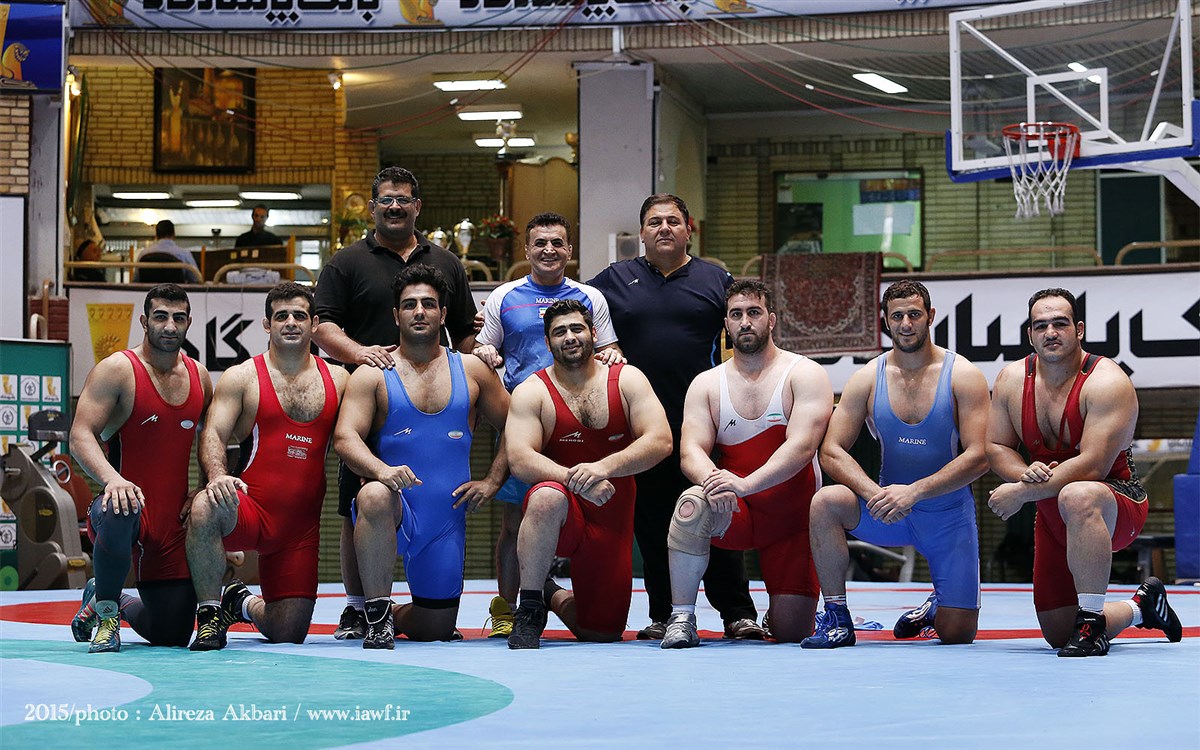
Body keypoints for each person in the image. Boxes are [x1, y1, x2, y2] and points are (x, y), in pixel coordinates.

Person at [314, 166, 479, 640]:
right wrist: (361, 354)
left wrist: (476, 367)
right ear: (372, 207)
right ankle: (359, 608)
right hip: (372, 398)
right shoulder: (346, 261)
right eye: (386, 199)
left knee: (437, 618)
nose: (394, 207)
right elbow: (323, 326)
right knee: (359, 503)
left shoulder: (446, 262)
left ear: (416, 207)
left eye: (403, 199)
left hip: (432, 395)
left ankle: (414, 609)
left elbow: (464, 329)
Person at [588, 193, 759, 641]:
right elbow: (564, 311)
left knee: (718, 507)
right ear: (642, 233)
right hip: (642, 427)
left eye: (672, 221)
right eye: (654, 222)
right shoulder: (612, 280)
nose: (663, 228)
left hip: (706, 422)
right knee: (653, 520)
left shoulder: (716, 279)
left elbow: (748, 332)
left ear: (689, 229)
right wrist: (495, 324)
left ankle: (737, 613)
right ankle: (664, 613)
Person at [986, 287, 1182, 656]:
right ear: (1029, 334)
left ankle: (1091, 623)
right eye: (1040, 325)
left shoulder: (1107, 380)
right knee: (1059, 633)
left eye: (1060, 323)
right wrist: (1024, 474)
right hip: (1051, 511)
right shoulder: (1011, 380)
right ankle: (1142, 607)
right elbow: (996, 446)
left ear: (1078, 330)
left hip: (1114, 501)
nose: (1050, 332)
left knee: (1076, 494)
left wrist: (1022, 492)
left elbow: (1093, 465)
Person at [801, 280, 990, 649]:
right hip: (887, 510)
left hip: (947, 516)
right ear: (885, 321)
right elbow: (831, 450)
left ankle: (936, 608)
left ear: (930, 316)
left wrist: (914, 492)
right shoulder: (867, 378)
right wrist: (875, 493)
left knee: (957, 634)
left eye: (914, 315)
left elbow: (978, 456)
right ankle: (837, 616)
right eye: (898, 316)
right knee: (825, 502)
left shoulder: (963, 375)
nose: (906, 324)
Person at [333, 264, 509, 648]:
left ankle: (389, 614)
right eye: (409, 304)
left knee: (435, 630)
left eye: (428, 304)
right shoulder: (372, 374)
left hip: (444, 521)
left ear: (443, 314)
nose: (419, 311)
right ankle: (377, 616)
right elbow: (345, 438)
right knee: (373, 494)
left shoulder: (473, 370)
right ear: (395, 315)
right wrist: (381, 470)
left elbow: (519, 425)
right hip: (394, 511)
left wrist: (493, 480)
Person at [472, 211, 622, 638]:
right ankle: (507, 608)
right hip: (524, 424)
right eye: (540, 243)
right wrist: (485, 354)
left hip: (582, 422)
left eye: (557, 242)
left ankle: (558, 592)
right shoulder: (504, 296)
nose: (549, 250)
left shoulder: (590, 298)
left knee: (591, 512)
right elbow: (482, 350)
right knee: (514, 521)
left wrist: (614, 356)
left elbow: (610, 350)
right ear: (526, 249)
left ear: (569, 250)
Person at [663, 280, 832, 647]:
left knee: (791, 633)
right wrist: (714, 481)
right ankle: (682, 617)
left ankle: (783, 612)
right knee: (692, 504)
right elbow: (690, 451)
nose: (745, 322)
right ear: (726, 323)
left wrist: (745, 484)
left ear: (771, 320)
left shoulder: (804, 374)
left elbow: (802, 447)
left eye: (754, 313)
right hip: (735, 510)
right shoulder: (707, 383)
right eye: (736, 314)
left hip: (791, 519)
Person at [185, 282, 348, 651]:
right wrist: (217, 476)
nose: (290, 322)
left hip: (299, 530)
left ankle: (240, 602)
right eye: (281, 316)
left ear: (314, 324)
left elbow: (356, 435)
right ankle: (209, 617)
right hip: (250, 511)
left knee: (288, 631)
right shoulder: (242, 377)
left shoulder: (340, 380)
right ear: (266, 324)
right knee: (206, 505)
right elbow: (213, 432)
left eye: (299, 316)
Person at [505, 300, 672, 649]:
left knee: (602, 632)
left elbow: (661, 441)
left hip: (611, 515)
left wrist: (602, 468)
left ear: (594, 334)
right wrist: (577, 480)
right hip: (560, 513)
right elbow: (519, 459)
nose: (569, 337)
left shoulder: (627, 379)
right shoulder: (532, 391)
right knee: (546, 496)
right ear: (547, 342)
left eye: (577, 328)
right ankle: (530, 606)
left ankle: (550, 593)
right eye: (559, 332)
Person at [68, 284, 213, 652]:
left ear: (189, 322)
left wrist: (204, 485)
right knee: (122, 508)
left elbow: (213, 438)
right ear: (145, 321)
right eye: (161, 317)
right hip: (121, 510)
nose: (170, 326)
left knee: (171, 633)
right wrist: (113, 480)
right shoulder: (118, 370)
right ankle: (106, 617)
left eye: (178, 318)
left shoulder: (199, 376)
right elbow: (80, 435)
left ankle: (106, 596)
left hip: (171, 522)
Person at [133, 219, 202, 283]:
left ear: (156, 235)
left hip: (149, 292)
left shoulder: (143, 253)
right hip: (175, 292)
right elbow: (196, 280)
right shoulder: (184, 254)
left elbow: (136, 280)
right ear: (173, 234)